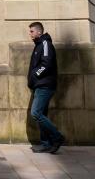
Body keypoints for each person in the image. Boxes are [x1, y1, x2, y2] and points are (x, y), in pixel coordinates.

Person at [27, 21, 65, 154]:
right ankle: (46, 143)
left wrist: (35, 75)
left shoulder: (45, 44)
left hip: (45, 85)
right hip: (40, 85)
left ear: (39, 32)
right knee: (42, 114)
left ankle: (57, 137)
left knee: (35, 113)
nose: (30, 34)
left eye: (32, 31)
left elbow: (46, 64)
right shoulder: (38, 45)